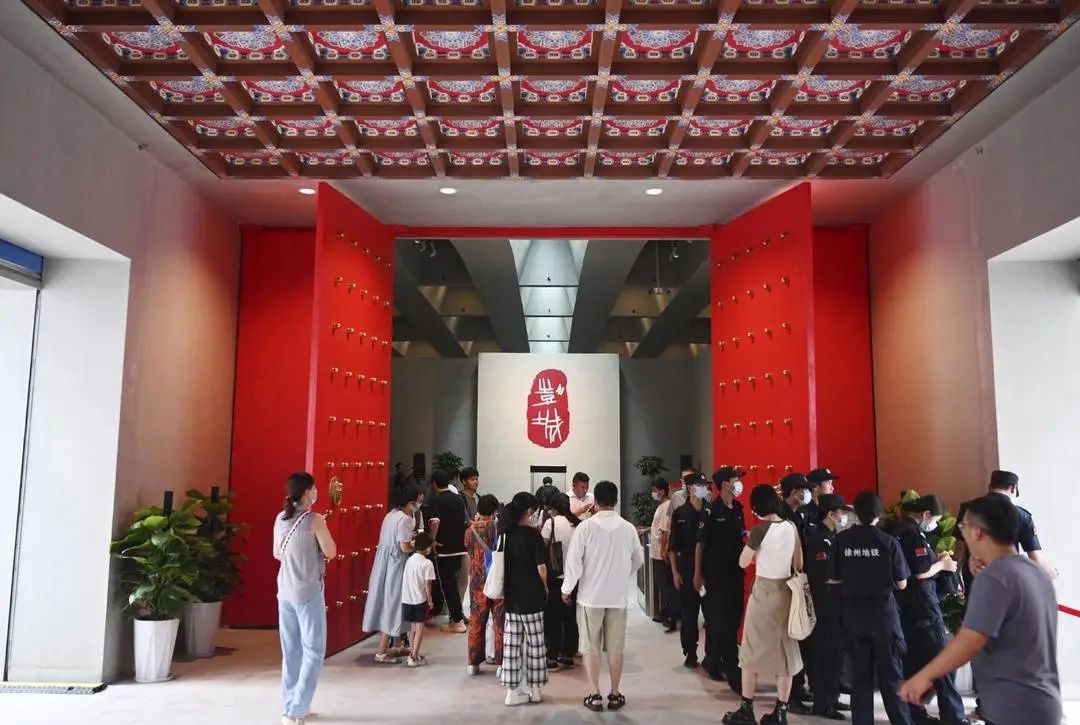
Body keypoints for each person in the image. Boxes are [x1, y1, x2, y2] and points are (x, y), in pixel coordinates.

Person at [900, 494, 1061, 725]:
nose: (962, 532)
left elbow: (970, 641)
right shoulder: (1035, 572)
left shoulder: (995, 578)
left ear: (977, 532)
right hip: (1041, 702)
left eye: (964, 526)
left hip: (1014, 707)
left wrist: (923, 676)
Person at [722, 484, 804, 725]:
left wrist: (755, 552)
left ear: (757, 508)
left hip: (764, 594)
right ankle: (781, 712)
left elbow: (742, 562)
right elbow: (799, 562)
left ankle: (746, 709)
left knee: (750, 652)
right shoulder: (791, 527)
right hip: (786, 592)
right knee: (785, 653)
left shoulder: (759, 531)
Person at [562, 480, 644, 712]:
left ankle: (594, 693)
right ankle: (615, 693)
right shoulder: (627, 528)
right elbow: (638, 559)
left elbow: (574, 563)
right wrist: (621, 574)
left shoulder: (585, 528)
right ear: (615, 500)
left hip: (590, 598)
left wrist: (566, 589)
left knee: (591, 647)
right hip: (617, 598)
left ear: (594, 501)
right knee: (616, 648)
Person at [835, 492, 913, 725]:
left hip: (854, 615)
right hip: (883, 616)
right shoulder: (888, 542)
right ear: (879, 514)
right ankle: (901, 721)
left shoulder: (842, 540)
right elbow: (902, 583)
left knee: (860, 677)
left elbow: (835, 578)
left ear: (855, 513)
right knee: (891, 675)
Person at [894, 495, 967, 725]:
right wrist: (944, 564)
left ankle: (915, 715)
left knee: (914, 665)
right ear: (925, 514)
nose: (934, 524)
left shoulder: (898, 530)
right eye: (934, 519)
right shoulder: (913, 533)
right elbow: (920, 571)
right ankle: (953, 718)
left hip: (907, 608)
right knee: (942, 662)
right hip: (923, 607)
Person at [274, 472, 337, 725]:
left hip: (284, 591)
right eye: (314, 489)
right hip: (308, 592)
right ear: (307, 492)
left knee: (291, 651)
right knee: (313, 651)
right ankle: (297, 709)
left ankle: (290, 705)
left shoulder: (280, 518)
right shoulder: (315, 520)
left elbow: (276, 553)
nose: (317, 492)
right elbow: (331, 551)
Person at [694, 466, 747, 692]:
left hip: (736, 573)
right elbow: (700, 544)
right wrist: (697, 574)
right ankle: (733, 671)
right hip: (716, 575)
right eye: (735, 479)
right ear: (725, 484)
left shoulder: (738, 508)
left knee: (734, 619)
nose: (738, 484)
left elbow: (742, 536)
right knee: (721, 621)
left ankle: (713, 660)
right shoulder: (711, 511)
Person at [804, 494, 853, 720]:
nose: (844, 517)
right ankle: (823, 702)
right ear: (831, 514)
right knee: (825, 653)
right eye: (842, 513)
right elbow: (823, 576)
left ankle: (832, 696)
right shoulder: (819, 539)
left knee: (835, 653)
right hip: (824, 604)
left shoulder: (834, 537)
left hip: (836, 604)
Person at [499, 491, 550, 707]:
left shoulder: (504, 535)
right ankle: (536, 690)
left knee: (512, 644)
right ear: (529, 511)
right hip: (532, 596)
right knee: (536, 643)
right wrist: (545, 587)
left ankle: (512, 693)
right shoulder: (533, 535)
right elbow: (541, 567)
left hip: (512, 596)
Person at [362, 481, 420, 664]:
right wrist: (420, 544)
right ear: (410, 502)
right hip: (396, 565)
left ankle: (395, 644)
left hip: (384, 563)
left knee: (386, 601)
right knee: (393, 604)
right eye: (417, 502)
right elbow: (404, 547)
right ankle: (381, 652)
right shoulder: (404, 519)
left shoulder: (391, 515)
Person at [778, 472, 813, 707]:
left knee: (800, 636)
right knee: (790, 639)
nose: (807, 493)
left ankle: (798, 687)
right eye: (804, 489)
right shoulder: (782, 517)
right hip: (787, 581)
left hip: (798, 580)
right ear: (793, 492)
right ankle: (790, 694)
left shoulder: (797, 513)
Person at [986, 469, 1056, 579]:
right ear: (1013, 488)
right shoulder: (1022, 515)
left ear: (990, 487)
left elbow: (959, 552)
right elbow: (1036, 559)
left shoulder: (968, 509)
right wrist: (1053, 573)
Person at [669, 474, 707, 668]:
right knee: (689, 614)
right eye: (700, 485)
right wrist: (675, 573)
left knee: (712, 615)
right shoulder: (680, 513)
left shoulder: (710, 510)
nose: (704, 489)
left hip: (710, 571)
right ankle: (690, 652)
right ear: (690, 488)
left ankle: (712, 655)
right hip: (687, 569)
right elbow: (673, 546)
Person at [542, 492, 580, 670]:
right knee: (570, 616)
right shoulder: (577, 524)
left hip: (555, 577)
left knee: (552, 617)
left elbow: (542, 547)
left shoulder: (551, 523)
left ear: (553, 507)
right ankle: (568, 654)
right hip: (574, 577)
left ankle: (552, 656)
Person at [427, 468, 468, 632]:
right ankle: (457, 618)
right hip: (459, 547)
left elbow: (435, 522)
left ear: (434, 484)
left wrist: (432, 540)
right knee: (453, 584)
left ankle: (457, 621)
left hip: (444, 548)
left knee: (448, 585)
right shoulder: (458, 499)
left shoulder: (437, 500)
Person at [466, 494, 504, 676]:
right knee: (499, 621)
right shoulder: (498, 528)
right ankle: (501, 663)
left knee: (476, 620)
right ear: (494, 510)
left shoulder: (470, 531)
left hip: (477, 580)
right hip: (497, 578)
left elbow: (469, 552)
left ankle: (473, 663)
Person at [647, 478, 679, 631]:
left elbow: (666, 530)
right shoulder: (661, 506)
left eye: (655, 490)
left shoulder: (667, 505)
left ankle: (672, 615)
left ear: (662, 490)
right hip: (656, 551)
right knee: (663, 584)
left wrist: (663, 550)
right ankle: (666, 612)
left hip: (661, 553)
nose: (653, 493)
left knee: (666, 586)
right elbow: (658, 526)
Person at [400, 532, 436, 667]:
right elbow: (427, 585)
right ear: (427, 548)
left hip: (407, 598)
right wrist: (430, 600)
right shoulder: (427, 563)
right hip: (419, 599)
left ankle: (412, 653)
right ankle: (414, 657)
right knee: (420, 628)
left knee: (412, 628)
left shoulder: (409, 560)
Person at [802, 467, 839, 534]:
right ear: (815, 486)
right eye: (828, 483)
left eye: (831, 483)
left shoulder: (827, 509)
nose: (832, 488)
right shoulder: (805, 512)